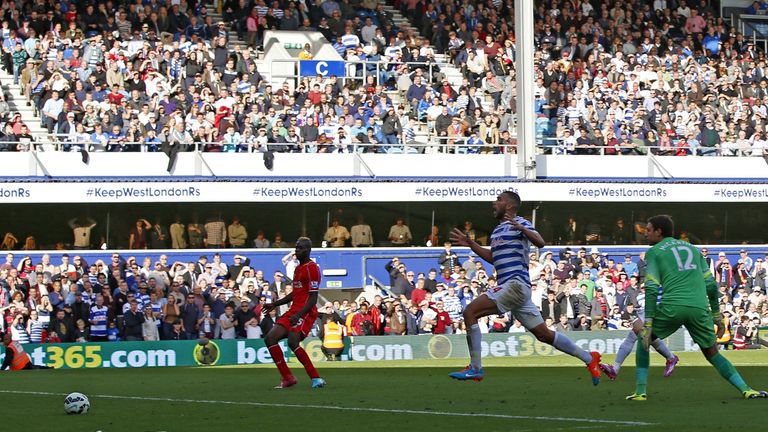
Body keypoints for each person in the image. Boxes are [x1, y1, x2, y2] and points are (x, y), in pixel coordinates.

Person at [448, 191, 601, 384]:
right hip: (514, 289)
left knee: (470, 312)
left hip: (514, 285)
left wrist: (522, 228)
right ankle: (589, 359)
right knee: (544, 335)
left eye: (498, 200)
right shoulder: (497, 231)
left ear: (509, 206)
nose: (494, 203)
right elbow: (493, 258)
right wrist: (471, 244)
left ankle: (476, 368)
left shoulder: (520, 223)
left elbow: (540, 242)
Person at [628, 215, 767, 401]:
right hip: (700, 307)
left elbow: (652, 288)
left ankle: (640, 391)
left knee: (642, 333)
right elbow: (710, 284)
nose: (645, 235)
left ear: (659, 231)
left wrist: (650, 321)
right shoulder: (692, 249)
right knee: (712, 353)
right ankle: (746, 389)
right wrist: (717, 315)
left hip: (673, 306)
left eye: (649, 230)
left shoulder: (655, 252)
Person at [263, 237, 326, 389]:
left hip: (306, 312)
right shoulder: (298, 269)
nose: (296, 251)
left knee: (292, 341)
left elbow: (313, 298)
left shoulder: (312, 269)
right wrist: (274, 304)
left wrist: (300, 314)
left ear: (307, 250)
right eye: (296, 248)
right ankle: (288, 378)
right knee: (270, 338)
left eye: (299, 248)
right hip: (293, 311)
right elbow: (295, 294)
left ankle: (315, 377)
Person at [599, 285, 679, 380]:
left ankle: (615, 369)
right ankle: (671, 358)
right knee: (641, 336)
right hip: (648, 309)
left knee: (639, 335)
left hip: (658, 309)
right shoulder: (644, 291)